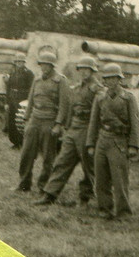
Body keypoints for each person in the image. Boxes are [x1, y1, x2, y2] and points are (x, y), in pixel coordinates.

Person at [34, 55, 103, 206]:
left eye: (87, 70)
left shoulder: (97, 89)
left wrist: (94, 135)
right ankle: (50, 194)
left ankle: (86, 197)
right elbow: (71, 108)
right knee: (62, 162)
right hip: (74, 129)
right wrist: (66, 128)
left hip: (88, 129)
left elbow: (101, 113)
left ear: (93, 71)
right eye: (82, 69)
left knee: (88, 167)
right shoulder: (77, 88)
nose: (84, 72)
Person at [86, 63, 139, 219]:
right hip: (102, 140)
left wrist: (133, 145)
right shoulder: (100, 97)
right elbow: (94, 122)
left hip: (119, 141)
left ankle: (123, 212)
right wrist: (91, 143)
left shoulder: (128, 98)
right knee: (101, 177)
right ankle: (104, 209)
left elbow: (135, 122)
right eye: (108, 79)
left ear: (119, 79)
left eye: (114, 78)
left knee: (119, 179)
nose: (110, 81)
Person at [16, 52, 70, 193]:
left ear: (52, 66)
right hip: (35, 118)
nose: (43, 67)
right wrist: (26, 119)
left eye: (46, 65)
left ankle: (43, 186)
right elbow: (31, 99)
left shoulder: (60, 80)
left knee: (48, 157)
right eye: (42, 64)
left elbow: (64, 104)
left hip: (49, 120)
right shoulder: (37, 79)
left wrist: (58, 124)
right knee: (26, 153)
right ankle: (24, 184)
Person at [5, 54, 34, 148]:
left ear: (24, 62)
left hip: (22, 99)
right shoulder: (13, 73)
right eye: (17, 62)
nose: (18, 63)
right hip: (12, 98)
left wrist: (28, 101)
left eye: (20, 62)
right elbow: (8, 88)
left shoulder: (28, 73)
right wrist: (7, 102)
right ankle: (15, 142)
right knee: (12, 121)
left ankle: (22, 142)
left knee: (21, 121)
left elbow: (31, 88)